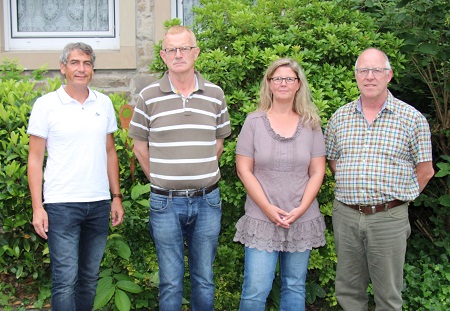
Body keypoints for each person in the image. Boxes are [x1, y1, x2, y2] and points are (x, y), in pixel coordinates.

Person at [128, 25, 231, 311]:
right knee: (170, 280)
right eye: (172, 49)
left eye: (184, 48)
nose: (178, 54)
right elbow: (140, 147)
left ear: (195, 52)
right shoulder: (148, 97)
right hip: (164, 203)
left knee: (204, 278)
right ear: (163, 55)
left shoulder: (215, 94)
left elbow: (219, 142)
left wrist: (197, 171)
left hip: (207, 200)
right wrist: (161, 179)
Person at [324, 47, 435, 310]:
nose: (370, 76)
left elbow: (426, 170)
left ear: (389, 75)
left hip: (389, 218)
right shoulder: (340, 117)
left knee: (388, 296)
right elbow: (332, 159)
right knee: (349, 293)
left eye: (377, 70)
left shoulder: (411, 118)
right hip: (346, 216)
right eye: (363, 70)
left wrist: (399, 199)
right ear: (356, 76)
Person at [27, 42, 124, 311]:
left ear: (92, 68)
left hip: (98, 203)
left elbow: (109, 151)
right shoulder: (46, 105)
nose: (81, 69)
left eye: (87, 63)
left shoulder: (103, 103)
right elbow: (35, 159)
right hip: (62, 205)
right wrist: (38, 207)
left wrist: (116, 197)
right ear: (63, 67)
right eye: (75, 63)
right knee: (64, 280)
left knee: (89, 279)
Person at [234, 58, 327, 311]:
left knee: (295, 287)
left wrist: (301, 209)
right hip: (261, 218)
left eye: (289, 79)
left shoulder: (311, 124)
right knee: (255, 289)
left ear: (298, 85)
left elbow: (318, 171)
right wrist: (267, 209)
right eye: (277, 78)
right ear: (269, 84)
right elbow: (244, 169)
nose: (283, 83)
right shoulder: (253, 122)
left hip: (302, 218)